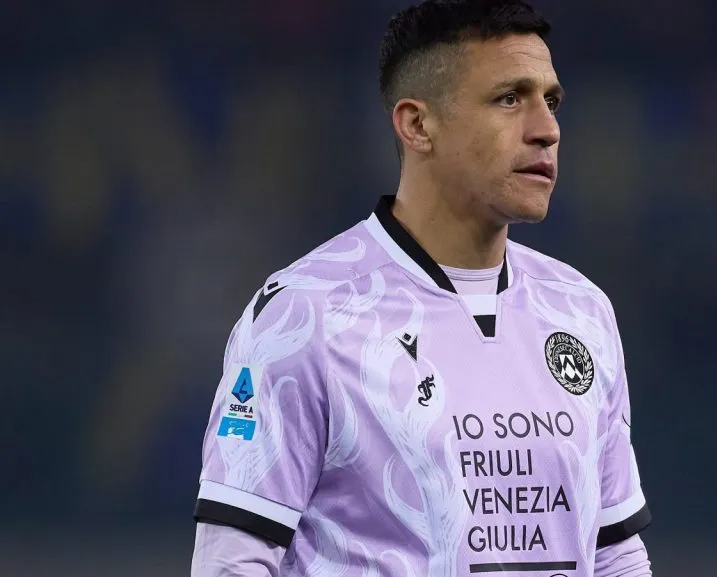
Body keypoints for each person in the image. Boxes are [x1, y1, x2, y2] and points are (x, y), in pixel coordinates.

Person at [190, 1, 652, 575]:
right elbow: (232, 561)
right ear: (417, 124)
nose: (546, 130)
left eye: (551, 101)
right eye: (509, 99)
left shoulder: (581, 311)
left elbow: (613, 552)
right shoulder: (306, 314)